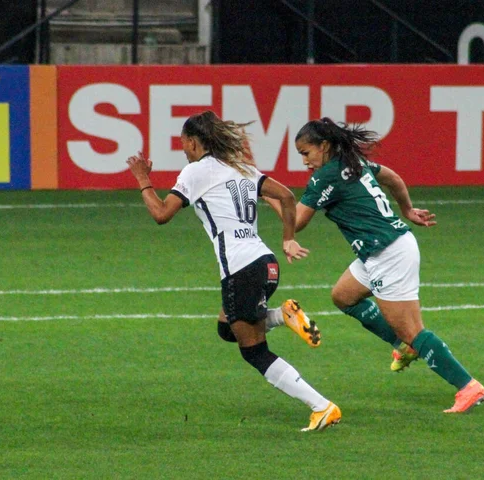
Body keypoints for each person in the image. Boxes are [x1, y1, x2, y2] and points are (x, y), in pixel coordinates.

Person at [126, 110, 340, 431]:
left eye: (184, 144)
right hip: (266, 263)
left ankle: (321, 406)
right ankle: (283, 315)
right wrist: (288, 238)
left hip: (241, 269)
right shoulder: (242, 168)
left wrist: (143, 179)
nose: (183, 150)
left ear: (195, 142)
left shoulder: (195, 172)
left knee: (254, 352)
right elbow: (286, 195)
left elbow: (160, 214)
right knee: (227, 328)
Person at [266, 117, 484, 413]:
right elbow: (392, 177)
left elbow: (299, 220)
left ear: (325, 146)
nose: (304, 161)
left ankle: (467, 386)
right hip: (378, 251)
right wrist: (406, 208)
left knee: (413, 330)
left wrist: (267, 193)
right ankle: (404, 345)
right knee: (343, 296)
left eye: (306, 153)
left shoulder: (326, 176)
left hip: (388, 253)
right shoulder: (353, 162)